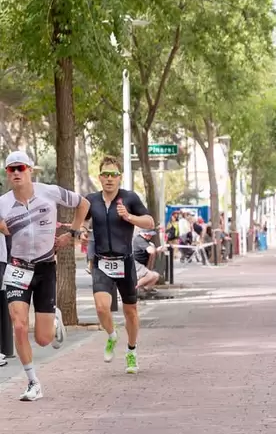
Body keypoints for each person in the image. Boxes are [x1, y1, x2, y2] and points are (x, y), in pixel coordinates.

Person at [0, 151, 89, 401]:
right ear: (8, 174)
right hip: (17, 267)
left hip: (45, 267)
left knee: (43, 338)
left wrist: (72, 232)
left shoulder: (50, 192)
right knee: (18, 325)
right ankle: (33, 382)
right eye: (11, 169)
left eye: (20, 168)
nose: (16, 173)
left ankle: (54, 319)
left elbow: (84, 204)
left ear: (30, 170)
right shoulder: (3, 203)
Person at [81, 155, 154, 373]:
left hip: (125, 261)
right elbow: (83, 222)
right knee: (102, 307)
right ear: (100, 177)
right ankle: (112, 335)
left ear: (120, 177)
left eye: (114, 174)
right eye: (106, 174)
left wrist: (130, 217)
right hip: (102, 262)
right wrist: (83, 233)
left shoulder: (129, 198)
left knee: (130, 311)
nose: (109, 179)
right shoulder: (91, 200)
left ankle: (131, 351)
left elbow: (149, 222)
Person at [133, 228, 163, 293]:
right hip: (135, 263)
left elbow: (151, 255)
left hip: (141, 265)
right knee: (150, 275)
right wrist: (157, 250)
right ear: (144, 234)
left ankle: (144, 291)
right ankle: (131, 289)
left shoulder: (146, 241)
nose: (150, 236)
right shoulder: (139, 239)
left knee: (155, 276)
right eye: (149, 234)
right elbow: (151, 251)